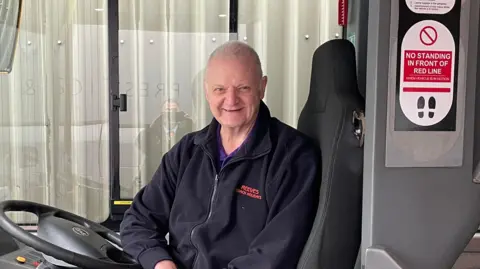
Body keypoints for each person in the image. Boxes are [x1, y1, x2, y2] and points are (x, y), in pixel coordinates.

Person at [120, 40, 320, 269]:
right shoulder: (187, 151)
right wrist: (160, 262)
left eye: (243, 87)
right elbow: (138, 220)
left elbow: (272, 256)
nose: (231, 100)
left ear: (262, 87)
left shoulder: (292, 157)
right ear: (207, 91)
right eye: (220, 89)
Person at [136, 99, 193, 181]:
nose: (171, 114)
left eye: (174, 110)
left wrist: (187, 120)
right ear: (162, 113)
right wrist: (157, 121)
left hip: (181, 175)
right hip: (156, 175)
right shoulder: (152, 131)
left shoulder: (189, 129)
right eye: (167, 110)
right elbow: (140, 140)